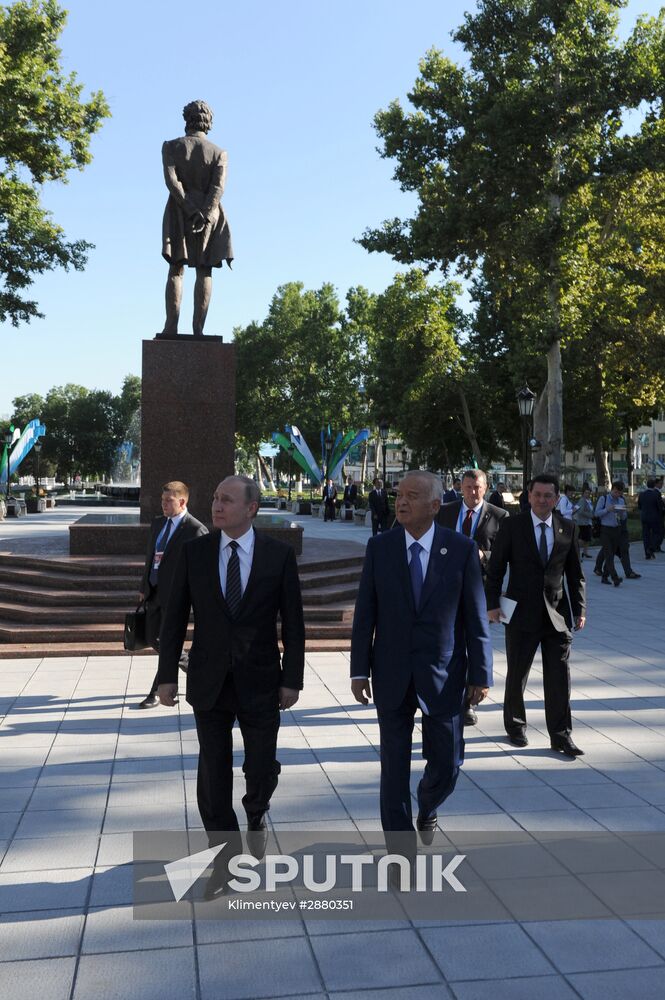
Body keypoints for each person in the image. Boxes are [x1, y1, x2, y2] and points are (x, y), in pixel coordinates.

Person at [157, 475, 305, 898]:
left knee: (261, 767)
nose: (216, 506)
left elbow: (293, 624)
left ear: (251, 508)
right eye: (215, 498)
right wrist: (167, 674)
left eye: (226, 499)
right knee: (213, 773)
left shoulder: (278, 555)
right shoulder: (195, 552)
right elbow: (174, 619)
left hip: (261, 680)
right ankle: (225, 860)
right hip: (208, 680)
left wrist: (291, 678)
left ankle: (256, 812)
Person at [350, 471, 492, 864]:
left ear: (434, 506)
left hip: (444, 674)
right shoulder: (380, 547)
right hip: (391, 673)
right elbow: (366, 613)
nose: (402, 501)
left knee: (447, 764)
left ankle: (428, 805)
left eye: (413, 496)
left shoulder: (460, 549)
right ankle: (400, 854)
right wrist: (359, 669)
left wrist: (481, 673)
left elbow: (475, 616)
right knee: (393, 768)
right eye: (399, 494)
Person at [485, 474, 586, 757]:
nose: (542, 500)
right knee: (517, 674)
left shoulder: (568, 527)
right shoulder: (512, 526)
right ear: (528, 496)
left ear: (556, 499)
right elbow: (496, 569)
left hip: (557, 615)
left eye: (548, 496)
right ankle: (516, 726)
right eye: (537, 494)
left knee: (559, 678)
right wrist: (492, 604)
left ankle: (561, 735)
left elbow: (576, 575)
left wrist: (580, 609)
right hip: (520, 614)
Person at [437, 468, 507, 726]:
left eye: (477, 487)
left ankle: (468, 702)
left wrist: (484, 556)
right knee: (449, 644)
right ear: (460, 487)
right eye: (467, 487)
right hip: (446, 589)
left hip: (479, 590)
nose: (472, 492)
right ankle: (446, 694)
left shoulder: (499, 516)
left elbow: (503, 556)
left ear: (485, 487)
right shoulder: (445, 511)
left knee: (473, 644)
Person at [158, 100, 233, 338]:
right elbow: (218, 188)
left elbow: (172, 182)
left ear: (186, 119)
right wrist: (204, 212)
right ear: (208, 121)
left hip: (180, 209)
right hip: (208, 213)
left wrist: (190, 208)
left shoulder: (170, 147)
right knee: (204, 269)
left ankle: (171, 326)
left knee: (176, 268)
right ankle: (198, 330)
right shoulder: (219, 152)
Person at [137, 481, 207, 709]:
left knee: (166, 641)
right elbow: (150, 557)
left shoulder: (195, 529)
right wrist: (143, 586)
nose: (164, 505)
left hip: (178, 598)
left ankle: (156, 691)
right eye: (162, 500)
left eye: (168, 501)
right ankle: (193, 666)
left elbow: (200, 570)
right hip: (153, 592)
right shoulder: (158, 523)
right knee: (152, 638)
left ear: (182, 501)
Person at [593, 482, 640, 584]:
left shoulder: (621, 500)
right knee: (609, 555)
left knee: (612, 554)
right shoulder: (604, 499)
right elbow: (596, 513)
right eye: (615, 491)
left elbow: (624, 517)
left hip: (617, 529)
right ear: (612, 489)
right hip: (605, 529)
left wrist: (622, 512)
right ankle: (615, 578)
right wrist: (608, 509)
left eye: (619, 492)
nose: (617, 494)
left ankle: (605, 577)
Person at [638, 478, 665, 559]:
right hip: (654, 518)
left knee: (646, 535)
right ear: (654, 486)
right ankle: (651, 548)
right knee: (656, 533)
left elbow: (639, 506)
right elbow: (660, 507)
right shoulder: (656, 494)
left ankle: (647, 554)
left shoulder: (642, 494)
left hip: (644, 517)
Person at [572, 484, 594, 559]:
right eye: (586, 493)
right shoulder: (582, 500)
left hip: (588, 522)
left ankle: (585, 553)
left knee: (587, 539)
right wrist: (590, 515)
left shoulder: (589, 501)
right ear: (583, 493)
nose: (587, 494)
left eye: (589, 493)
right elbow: (580, 511)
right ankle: (574, 551)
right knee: (582, 539)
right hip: (583, 523)